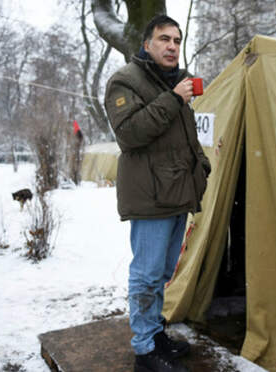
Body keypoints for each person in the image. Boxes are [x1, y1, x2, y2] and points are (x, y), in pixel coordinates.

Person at [104, 15, 211, 372]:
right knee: (146, 275)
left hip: (178, 192)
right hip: (150, 196)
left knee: (163, 272)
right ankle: (144, 351)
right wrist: (172, 99)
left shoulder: (178, 81)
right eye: (164, 39)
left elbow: (186, 138)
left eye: (177, 40)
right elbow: (130, 135)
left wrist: (202, 167)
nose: (172, 46)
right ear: (147, 43)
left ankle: (155, 332)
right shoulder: (124, 80)